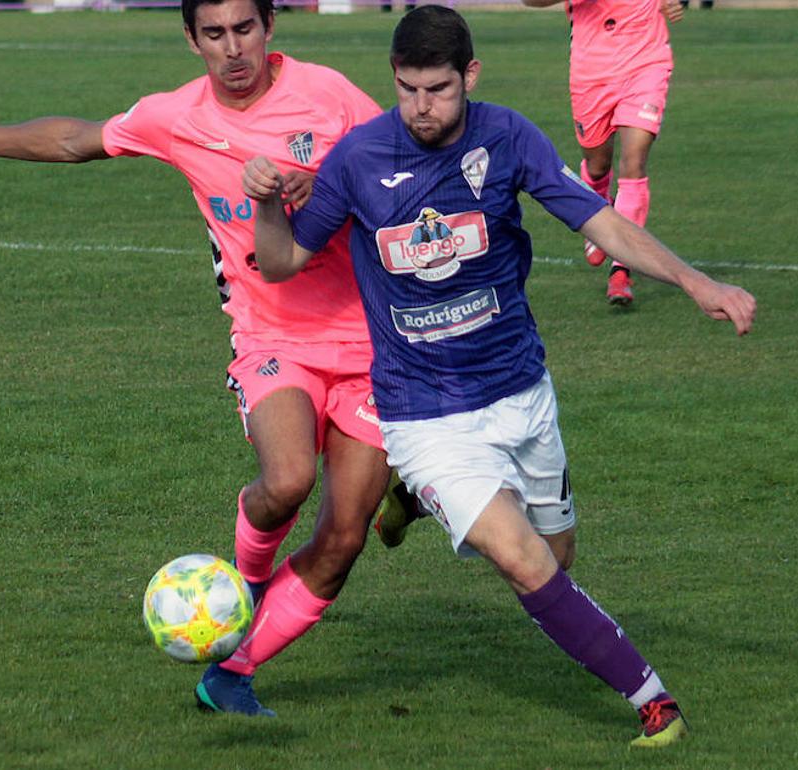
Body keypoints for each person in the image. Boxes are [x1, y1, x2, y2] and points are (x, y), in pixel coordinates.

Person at [242, 5, 755, 747]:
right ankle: (653, 701)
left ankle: (413, 502)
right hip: (423, 413)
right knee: (520, 561)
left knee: (557, 563)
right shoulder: (358, 159)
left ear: (470, 76)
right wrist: (265, 204)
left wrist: (695, 281)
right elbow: (284, 261)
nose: (422, 107)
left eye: (440, 89)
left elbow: (598, 220)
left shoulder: (508, 136)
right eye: (409, 89)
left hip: (520, 393)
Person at [0, 0, 397, 717]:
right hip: (270, 336)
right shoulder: (177, 116)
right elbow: (72, 140)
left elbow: (397, 165)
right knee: (288, 480)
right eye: (214, 33)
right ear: (191, 39)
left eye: (245, 29)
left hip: (368, 339)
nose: (232, 48)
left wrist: (330, 184)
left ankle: (231, 672)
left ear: (270, 28)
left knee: (342, 537)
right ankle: (243, 585)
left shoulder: (329, 94)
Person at [521, 0, 685, 307]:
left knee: (634, 162)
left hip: (646, 61)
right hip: (592, 70)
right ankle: (597, 209)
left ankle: (621, 269)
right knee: (597, 166)